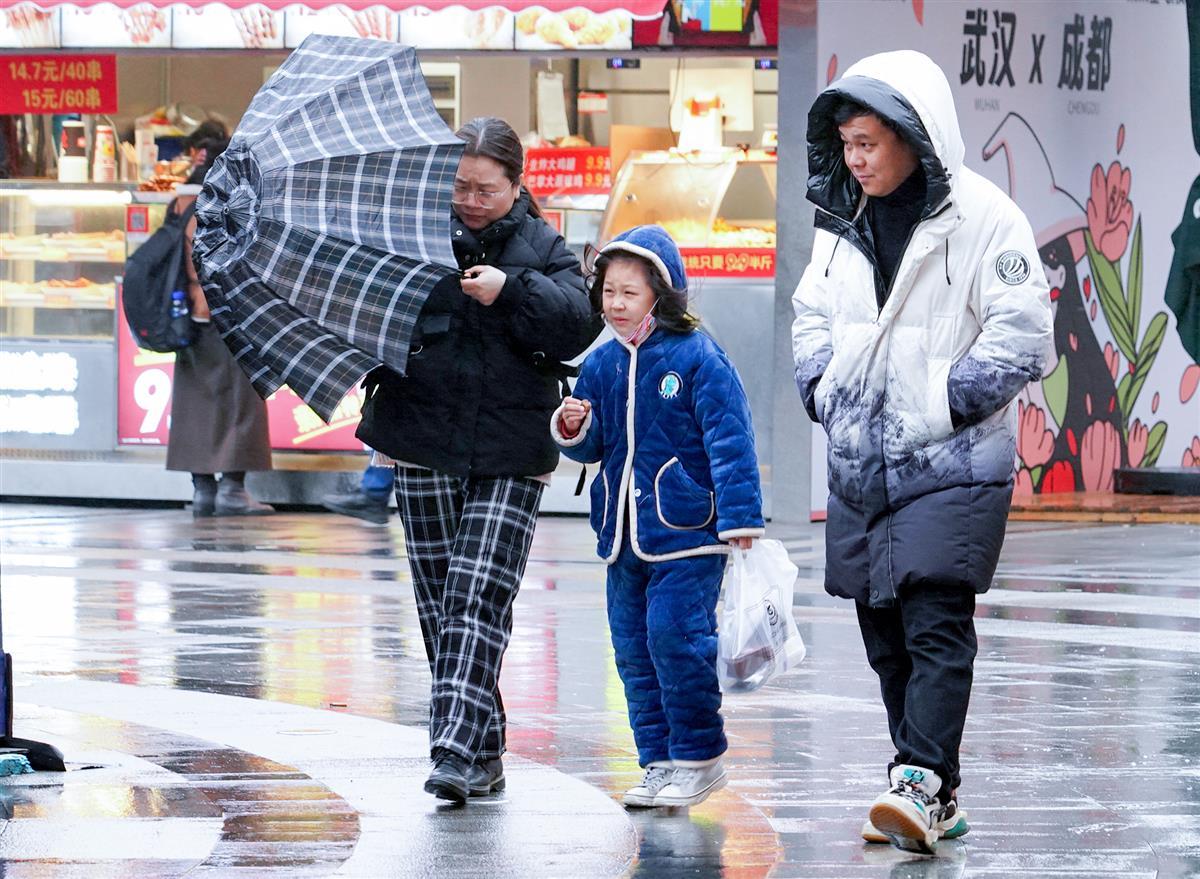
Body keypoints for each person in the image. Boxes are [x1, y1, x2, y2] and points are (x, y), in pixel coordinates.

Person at [791, 51, 1053, 853]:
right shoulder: (841, 221)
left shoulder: (987, 217)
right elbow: (810, 315)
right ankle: (936, 790)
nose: (855, 160)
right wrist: (823, 390)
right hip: (860, 462)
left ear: (915, 135)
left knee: (936, 620)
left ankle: (918, 776)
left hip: (954, 462)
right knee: (884, 633)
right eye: (846, 144)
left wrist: (937, 405)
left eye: (868, 143)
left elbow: (1022, 335)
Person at [354, 117, 600, 803]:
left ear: (517, 185)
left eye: (485, 189)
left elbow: (578, 323)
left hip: (511, 446)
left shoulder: (545, 246)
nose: (469, 200)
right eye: (460, 185)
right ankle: (483, 745)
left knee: (477, 592)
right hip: (419, 435)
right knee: (439, 600)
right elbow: (369, 310)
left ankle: (455, 748)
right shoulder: (412, 233)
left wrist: (510, 290)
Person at [553, 224, 763, 809]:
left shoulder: (698, 355)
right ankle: (658, 762)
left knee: (677, 637)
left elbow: (731, 438)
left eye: (630, 292)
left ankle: (699, 759)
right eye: (608, 291)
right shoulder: (600, 364)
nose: (616, 304)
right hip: (622, 535)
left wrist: (740, 520)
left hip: (689, 533)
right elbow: (592, 446)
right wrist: (572, 428)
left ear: (660, 294)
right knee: (633, 650)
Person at [166, 137, 274, 517]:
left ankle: (203, 490)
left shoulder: (180, 202)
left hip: (188, 314)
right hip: (232, 309)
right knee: (242, 400)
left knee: (194, 401)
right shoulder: (232, 199)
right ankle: (232, 488)